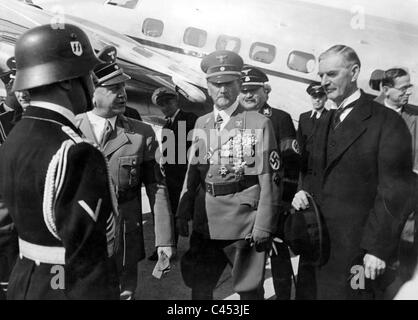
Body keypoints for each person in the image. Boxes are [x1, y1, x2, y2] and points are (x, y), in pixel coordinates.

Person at [0, 24, 120, 299]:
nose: (93, 80)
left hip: (26, 282)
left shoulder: (16, 134)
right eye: (87, 71)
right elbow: (87, 261)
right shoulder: (76, 151)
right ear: (66, 79)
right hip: (64, 288)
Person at [292, 45, 413, 299]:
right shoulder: (324, 119)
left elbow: (394, 192)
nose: (324, 82)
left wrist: (377, 249)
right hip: (316, 247)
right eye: (322, 75)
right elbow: (314, 172)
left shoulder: (386, 122)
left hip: (357, 253)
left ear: (354, 71)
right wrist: (302, 191)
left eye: (332, 74)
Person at [177, 50, 281, 300]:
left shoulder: (257, 123)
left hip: (242, 221)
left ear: (238, 85)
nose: (222, 90)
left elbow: (270, 180)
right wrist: (183, 209)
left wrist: (264, 225)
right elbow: (193, 170)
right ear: (208, 86)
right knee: (200, 287)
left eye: (228, 84)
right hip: (205, 222)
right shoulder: (202, 123)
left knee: (248, 290)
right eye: (216, 84)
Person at [76, 45, 175, 300]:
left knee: (124, 293)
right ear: (92, 91)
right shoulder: (71, 129)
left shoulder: (141, 133)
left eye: (122, 88)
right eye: (113, 89)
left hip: (123, 234)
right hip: (79, 233)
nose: (122, 95)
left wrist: (164, 239)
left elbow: (157, 188)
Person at [238, 66, 299, 299]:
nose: (248, 95)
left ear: (266, 91)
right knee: (249, 265)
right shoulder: (235, 119)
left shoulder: (280, 119)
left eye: (253, 90)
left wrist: (283, 204)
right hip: (244, 208)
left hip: (275, 205)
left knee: (279, 260)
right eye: (243, 90)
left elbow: (291, 165)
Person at [379, 68, 418, 293]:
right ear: (385, 89)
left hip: (401, 207)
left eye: (409, 88)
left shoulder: (414, 118)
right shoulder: (370, 111)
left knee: (396, 270)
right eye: (403, 88)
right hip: (370, 205)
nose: (408, 93)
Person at [293, 83, 328, 300]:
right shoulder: (304, 118)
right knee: (305, 239)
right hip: (306, 185)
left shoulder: (331, 117)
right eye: (314, 96)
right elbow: (299, 156)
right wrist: (299, 188)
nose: (317, 100)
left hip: (322, 186)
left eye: (320, 96)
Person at [152, 87, 197, 251]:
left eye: (168, 102)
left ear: (176, 101)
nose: (165, 106)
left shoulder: (190, 118)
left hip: (187, 173)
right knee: (172, 211)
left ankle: (196, 247)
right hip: (171, 175)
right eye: (162, 104)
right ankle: (170, 246)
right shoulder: (166, 125)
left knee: (189, 210)